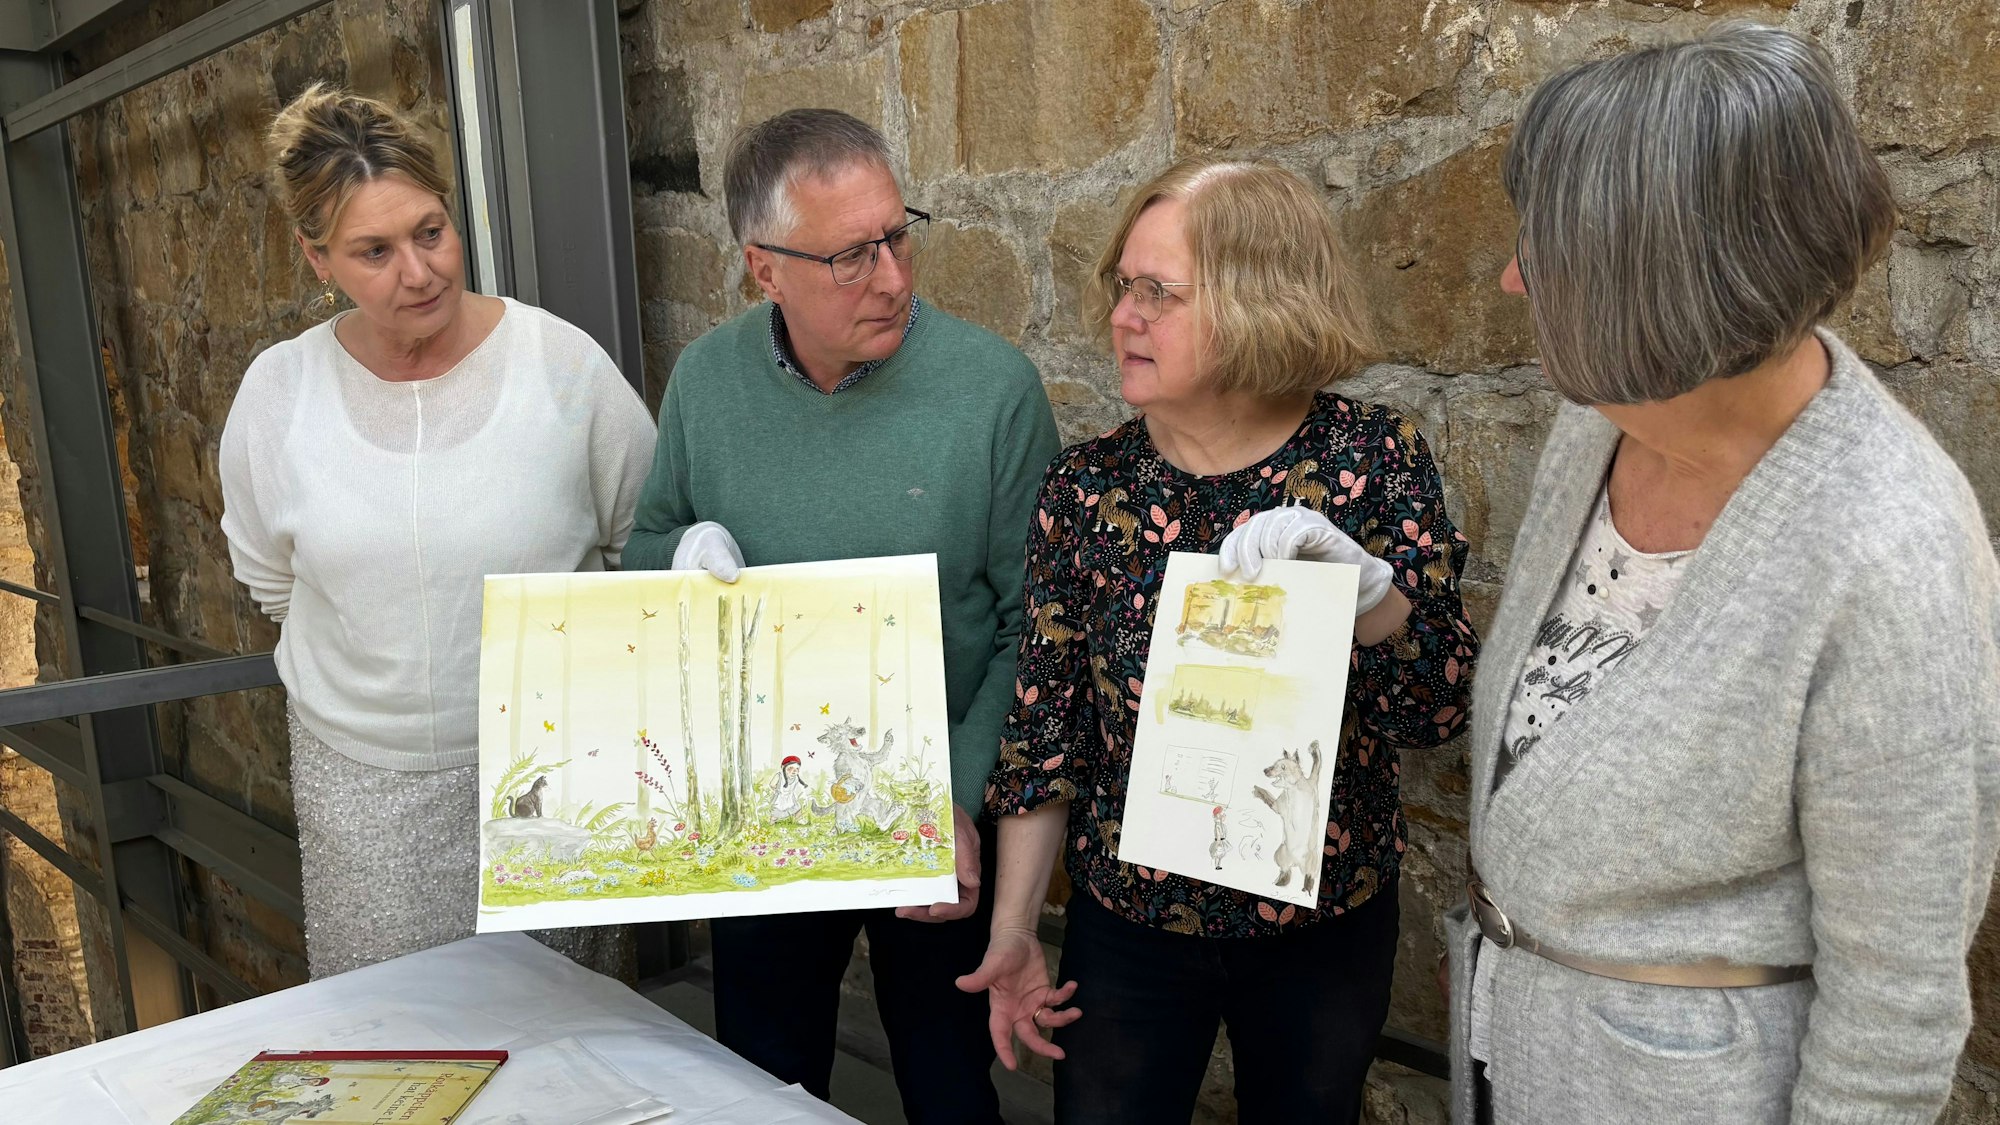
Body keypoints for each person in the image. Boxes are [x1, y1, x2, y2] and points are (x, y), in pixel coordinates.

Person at [1444, 24, 2000, 1123]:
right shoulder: (1595, 427)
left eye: (1545, 247)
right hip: (1513, 1050)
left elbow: (1893, 1010)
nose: (1511, 276)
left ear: (1656, 284)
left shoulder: (1885, 552)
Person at [965, 157, 1479, 1123]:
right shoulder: (1088, 490)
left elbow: (1437, 709)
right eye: (1124, 284)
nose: (1124, 314)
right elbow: (1045, 735)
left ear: (1259, 302)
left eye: (1159, 292)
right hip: (1132, 925)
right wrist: (1017, 926)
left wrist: (1366, 595)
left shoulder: (1370, 460)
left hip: (1321, 923)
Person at [622, 108, 1060, 1124]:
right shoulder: (705, 382)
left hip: (938, 815)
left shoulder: (992, 390)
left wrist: (951, 797)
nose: (894, 277)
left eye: (897, 235)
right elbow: (645, 551)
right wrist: (681, 553)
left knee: (950, 1086)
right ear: (761, 269)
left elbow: (1029, 628)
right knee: (765, 1081)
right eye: (850, 256)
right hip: (765, 817)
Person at [220, 84, 656, 979]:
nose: (418, 272)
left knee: (560, 1047)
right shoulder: (277, 394)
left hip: (552, 782)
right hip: (363, 794)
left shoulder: (563, 366)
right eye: (373, 251)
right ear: (317, 259)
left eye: (430, 232)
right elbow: (270, 579)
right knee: (395, 1055)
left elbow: (639, 540)